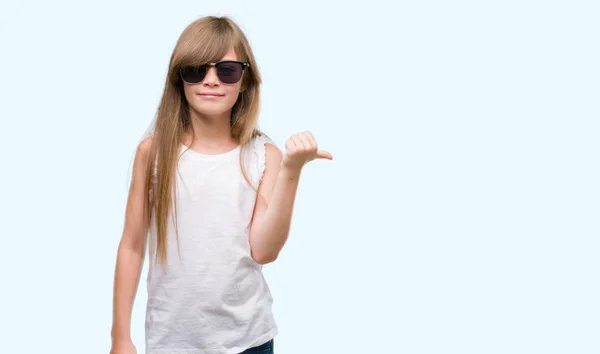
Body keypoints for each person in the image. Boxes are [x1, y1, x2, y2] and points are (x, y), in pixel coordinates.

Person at [109, 15, 332, 354]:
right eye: (196, 69)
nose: (211, 80)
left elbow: (264, 251)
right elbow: (132, 245)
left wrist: (292, 169)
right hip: (173, 342)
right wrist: (120, 337)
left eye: (226, 70)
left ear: (244, 80)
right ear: (179, 79)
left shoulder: (263, 155)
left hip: (249, 340)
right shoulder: (154, 153)